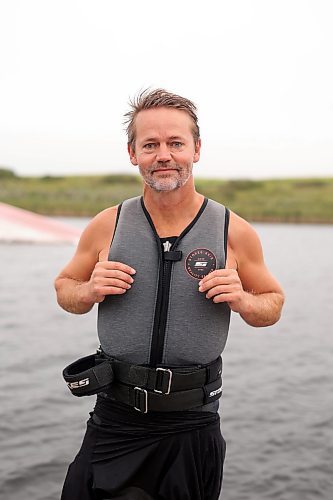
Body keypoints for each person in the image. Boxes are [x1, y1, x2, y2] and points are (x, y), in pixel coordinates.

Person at [54, 88, 284, 500]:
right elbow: (64, 289)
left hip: (191, 426)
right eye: (151, 145)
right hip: (115, 421)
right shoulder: (108, 224)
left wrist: (245, 300)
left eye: (176, 143)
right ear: (132, 153)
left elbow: (272, 304)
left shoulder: (234, 230)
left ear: (196, 149)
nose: (164, 154)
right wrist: (88, 289)